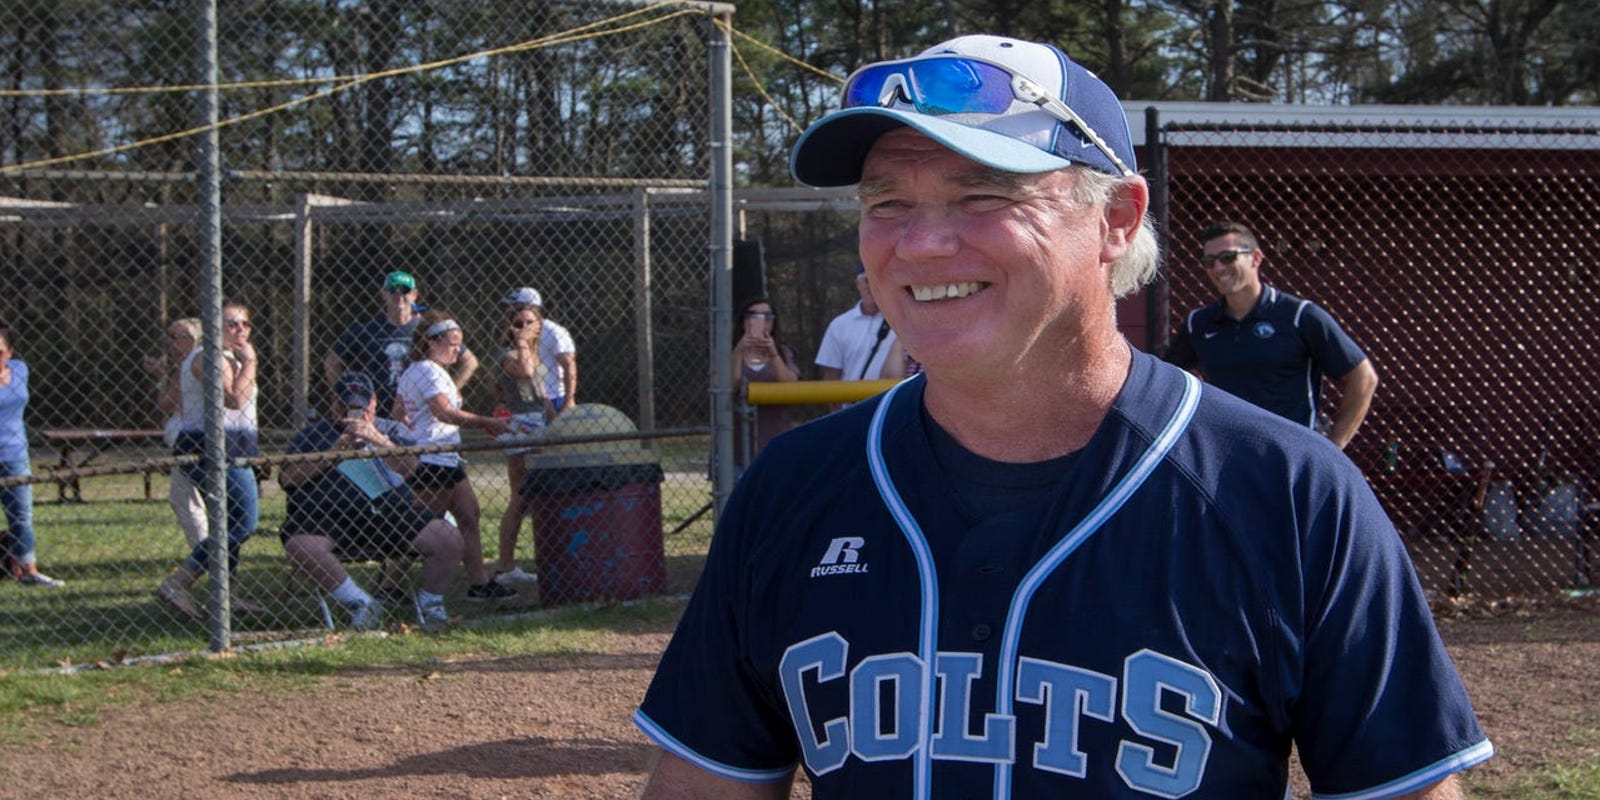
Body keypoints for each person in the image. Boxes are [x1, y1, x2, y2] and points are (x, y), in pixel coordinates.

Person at [634, 35, 1491, 799]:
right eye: (886, 202)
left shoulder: (1291, 495)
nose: (920, 244)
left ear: (1116, 218)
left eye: (982, 194)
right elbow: (704, 783)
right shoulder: (792, 488)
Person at [1164, 221, 1379, 449]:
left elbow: (1363, 377)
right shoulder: (1199, 323)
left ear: (1255, 258)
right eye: (1209, 261)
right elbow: (1167, 379)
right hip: (1228, 453)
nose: (1218, 268)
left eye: (1228, 257)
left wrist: (1334, 446)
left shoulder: (1299, 316)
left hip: (1293, 454)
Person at [277, 372, 462, 630]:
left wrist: (377, 439)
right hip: (328, 516)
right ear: (333, 402)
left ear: (374, 402)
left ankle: (431, 605)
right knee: (301, 544)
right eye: (345, 407)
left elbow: (411, 469)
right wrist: (331, 454)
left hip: (389, 513)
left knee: (448, 538)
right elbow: (287, 479)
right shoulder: (312, 435)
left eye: (361, 407)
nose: (352, 414)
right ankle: (361, 604)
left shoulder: (393, 431)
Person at [394, 309, 515, 602]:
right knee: (423, 525)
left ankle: (479, 583)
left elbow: (398, 411)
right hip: (431, 459)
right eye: (452, 344)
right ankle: (389, 585)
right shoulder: (427, 370)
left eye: (460, 344)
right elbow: (444, 412)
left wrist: (411, 425)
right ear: (432, 342)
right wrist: (486, 422)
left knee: (469, 515)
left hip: (446, 458)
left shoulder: (424, 371)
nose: (457, 351)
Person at [156, 303, 267, 619]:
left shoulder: (227, 357)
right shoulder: (208, 357)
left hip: (234, 449)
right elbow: (233, 399)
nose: (241, 329)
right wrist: (251, 362)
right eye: (232, 323)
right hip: (212, 451)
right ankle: (178, 582)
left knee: (229, 524)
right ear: (215, 326)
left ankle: (227, 595)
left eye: (246, 324)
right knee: (244, 523)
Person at [324, 270, 479, 418]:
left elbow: (470, 361)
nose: (399, 296)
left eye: (404, 290)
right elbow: (332, 362)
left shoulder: (427, 329)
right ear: (383, 294)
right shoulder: (366, 330)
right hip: (375, 413)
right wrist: (346, 394)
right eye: (393, 290)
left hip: (418, 413)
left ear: (414, 295)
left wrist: (451, 389)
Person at [490, 297, 557, 586]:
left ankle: (548, 556)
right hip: (520, 425)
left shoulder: (534, 352)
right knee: (521, 496)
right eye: (518, 323)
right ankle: (505, 565)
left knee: (541, 494)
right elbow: (526, 372)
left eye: (530, 323)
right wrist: (521, 341)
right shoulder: (508, 354)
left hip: (539, 422)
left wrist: (555, 421)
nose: (525, 328)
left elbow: (541, 391)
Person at [0, 323, 63, 586]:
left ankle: (29, 571)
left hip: (14, 452)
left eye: (0, 352)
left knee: (21, 514)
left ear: (10, 352)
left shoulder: (19, 370)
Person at [143, 318, 207, 549]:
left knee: (185, 499)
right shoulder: (190, 362)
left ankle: (204, 552)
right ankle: (209, 553)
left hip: (191, 440)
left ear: (191, 339)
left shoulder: (191, 363)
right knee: (191, 498)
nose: (168, 342)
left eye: (174, 337)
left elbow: (168, 403)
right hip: (192, 438)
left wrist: (162, 377)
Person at [731, 296, 799, 471]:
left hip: (775, 445)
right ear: (743, 321)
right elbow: (730, 386)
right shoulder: (729, 351)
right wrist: (738, 352)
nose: (761, 321)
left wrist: (773, 354)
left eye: (767, 317)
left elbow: (792, 387)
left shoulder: (783, 352)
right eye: (753, 315)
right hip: (735, 451)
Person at [814, 266, 897, 401]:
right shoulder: (839, 325)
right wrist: (838, 411)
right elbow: (831, 375)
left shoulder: (901, 321)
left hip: (891, 404)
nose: (872, 286)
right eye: (867, 280)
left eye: (877, 280)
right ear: (858, 284)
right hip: (852, 406)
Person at [500, 287, 577, 412]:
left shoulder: (553, 331)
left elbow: (569, 364)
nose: (509, 310)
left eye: (515, 306)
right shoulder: (513, 329)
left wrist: (569, 399)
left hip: (553, 397)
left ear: (530, 307)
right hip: (523, 399)